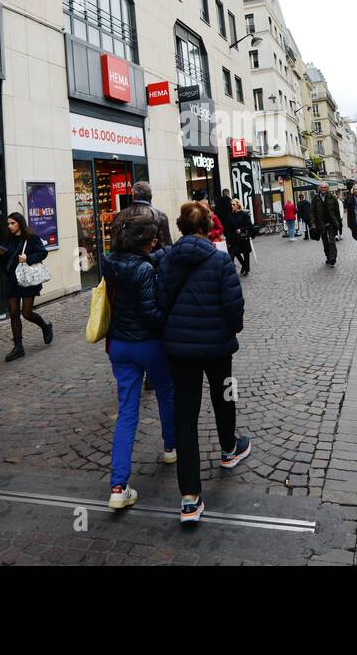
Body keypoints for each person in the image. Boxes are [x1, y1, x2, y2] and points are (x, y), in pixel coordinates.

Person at [157, 202, 250, 524]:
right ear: (208, 226)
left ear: (181, 226)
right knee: (224, 396)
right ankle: (228, 450)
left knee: (185, 417)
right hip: (217, 348)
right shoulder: (221, 260)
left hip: (180, 351)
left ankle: (189, 498)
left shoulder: (168, 259)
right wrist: (232, 328)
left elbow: (160, 300)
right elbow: (233, 305)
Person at [101, 212, 177, 510]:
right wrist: (167, 319)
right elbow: (150, 313)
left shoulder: (110, 262)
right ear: (145, 242)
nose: (155, 244)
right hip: (147, 343)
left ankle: (118, 486)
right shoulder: (144, 269)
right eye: (153, 240)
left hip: (118, 344)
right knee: (166, 393)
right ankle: (171, 447)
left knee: (127, 411)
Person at [0, 212, 53, 361]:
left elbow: (43, 253)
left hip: (27, 280)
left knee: (27, 313)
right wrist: (1, 253)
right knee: (13, 312)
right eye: (8, 224)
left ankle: (45, 327)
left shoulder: (31, 238)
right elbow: (5, 258)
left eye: (12, 223)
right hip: (11, 279)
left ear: (20, 223)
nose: (9, 226)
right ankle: (18, 347)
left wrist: (28, 258)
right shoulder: (6, 238)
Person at [308, 183, 343, 267]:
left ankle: (333, 257)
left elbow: (336, 211)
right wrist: (312, 223)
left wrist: (339, 223)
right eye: (322, 187)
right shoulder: (315, 198)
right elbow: (312, 211)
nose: (323, 189)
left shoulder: (332, 197)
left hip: (331, 222)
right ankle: (328, 256)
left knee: (331, 239)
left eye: (325, 187)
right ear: (320, 188)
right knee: (325, 241)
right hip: (321, 223)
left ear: (327, 188)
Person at [130, 181, 172, 247]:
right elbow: (166, 247)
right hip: (155, 256)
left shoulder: (120, 217)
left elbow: (115, 250)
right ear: (151, 196)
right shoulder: (161, 216)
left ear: (133, 195)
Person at [226, 199, 254, 276]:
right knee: (235, 252)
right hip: (234, 237)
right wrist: (228, 241)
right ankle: (244, 265)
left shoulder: (244, 214)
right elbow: (229, 229)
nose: (232, 206)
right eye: (231, 205)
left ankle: (246, 269)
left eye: (233, 204)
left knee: (246, 253)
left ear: (238, 205)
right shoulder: (230, 216)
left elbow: (250, 226)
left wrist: (241, 229)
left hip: (243, 236)